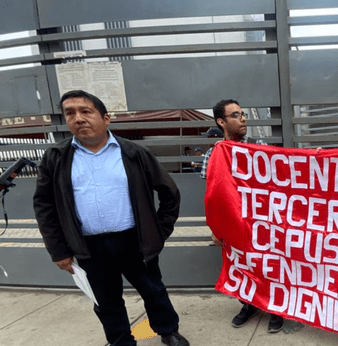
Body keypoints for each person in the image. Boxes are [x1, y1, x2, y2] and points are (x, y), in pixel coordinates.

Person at [33, 90, 189, 346]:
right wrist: (58, 249)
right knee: (105, 301)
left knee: (153, 290)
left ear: (106, 118)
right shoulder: (57, 158)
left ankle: (168, 330)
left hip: (134, 241)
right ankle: (120, 341)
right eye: (70, 113)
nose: (78, 118)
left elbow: (169, 192)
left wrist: (158, 232)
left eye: (86, 111)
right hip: (88, 246)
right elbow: (44, 205)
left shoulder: (133, 153)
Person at [200, 99, 281, 333]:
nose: (243, 118)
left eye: (243, 113)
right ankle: (249, 305)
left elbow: (283, 182)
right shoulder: (213, 155)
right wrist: (215, 229)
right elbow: (211, 196)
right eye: (235, 115)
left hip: (263, 224)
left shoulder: (260, 147)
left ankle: (275, 308)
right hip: (233, 225)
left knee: (269, 265)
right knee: (241, 266)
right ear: (221, 121)